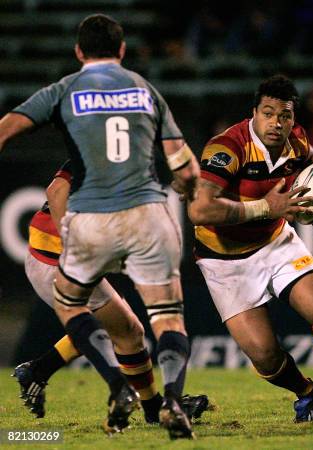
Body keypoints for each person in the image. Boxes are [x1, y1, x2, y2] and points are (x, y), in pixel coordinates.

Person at [0, 14, 199, 438]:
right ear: (122, 51)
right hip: (145, 215)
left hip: (91, 226)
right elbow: (184, 165)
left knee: (115, 322)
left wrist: (72, 233)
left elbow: (5, 130)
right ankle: (170, 402)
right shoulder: (145, 91)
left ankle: (128, 395)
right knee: (166, 318)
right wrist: (187, 185)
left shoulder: (66, 92)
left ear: (78, 52)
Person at [187, 74, 313, 422]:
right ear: (254, 113)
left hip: (274, 243)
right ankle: (306, 393)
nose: (277, 123)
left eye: (285, 115)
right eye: (268, 113)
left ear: (293, 117)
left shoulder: (298, 140)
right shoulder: (227, 147)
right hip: (223, 260)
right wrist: (265, 207)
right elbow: (199, 210)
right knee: (265, 356)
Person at [14, 160, 207, 424]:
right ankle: (151, 407)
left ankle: (38, 371)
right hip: (55, 260)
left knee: (124, 330)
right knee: (126, 331)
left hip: (57, 257)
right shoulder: (100, 150)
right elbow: (56, 191)